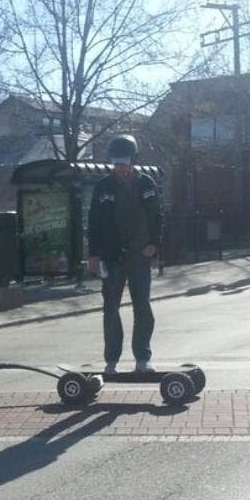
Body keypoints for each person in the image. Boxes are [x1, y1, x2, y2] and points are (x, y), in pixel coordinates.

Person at [87, 134, 162, 375]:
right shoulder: (103, 187)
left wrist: (154, 243)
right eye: (116, 163)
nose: (120, 168)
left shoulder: (146, 184)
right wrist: (94, 255)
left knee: (142, 307)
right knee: (111, 307)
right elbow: (94, 222)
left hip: (139, 255)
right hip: (112, 257)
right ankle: (111, 360)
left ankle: (142, 358)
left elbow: (157, 217)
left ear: (133, 161)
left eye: (124, 163)